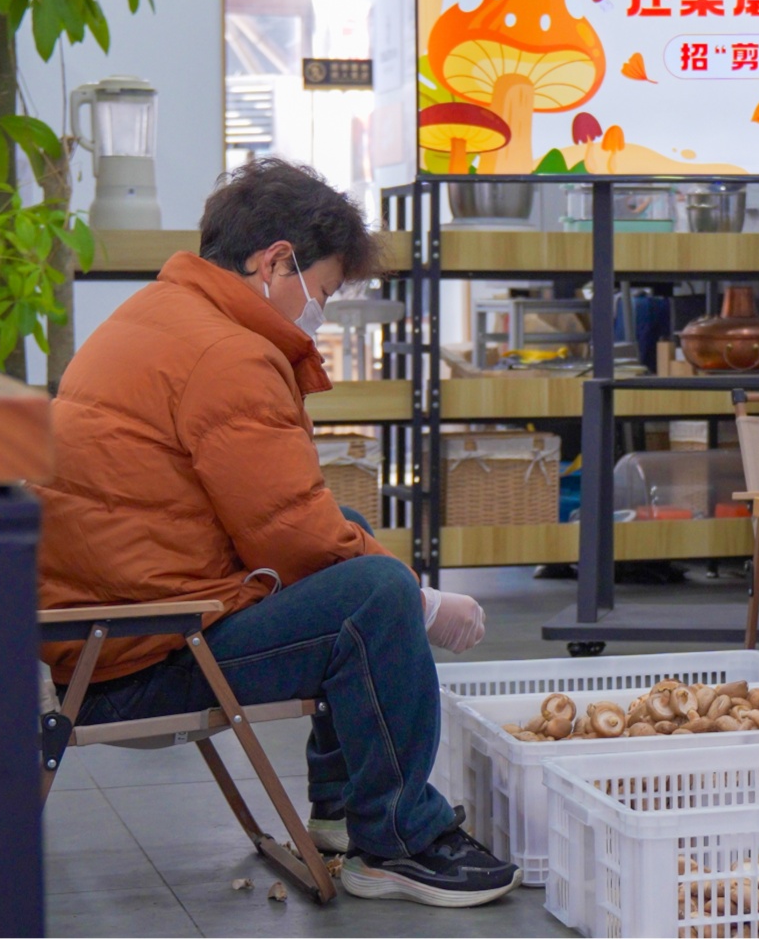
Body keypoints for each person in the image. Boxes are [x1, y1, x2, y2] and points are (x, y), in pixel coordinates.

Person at [37, 158, 518, 908]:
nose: (318, 311)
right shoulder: (227, 353)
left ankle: (340, 811)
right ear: (274, 263)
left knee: (353, 540)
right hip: (143, 658)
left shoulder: (161, 313)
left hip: (107, 635)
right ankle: (399, 841)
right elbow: (293, 535)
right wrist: (425, 604)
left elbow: (287, 524)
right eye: (322, 291)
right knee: (377, 593)